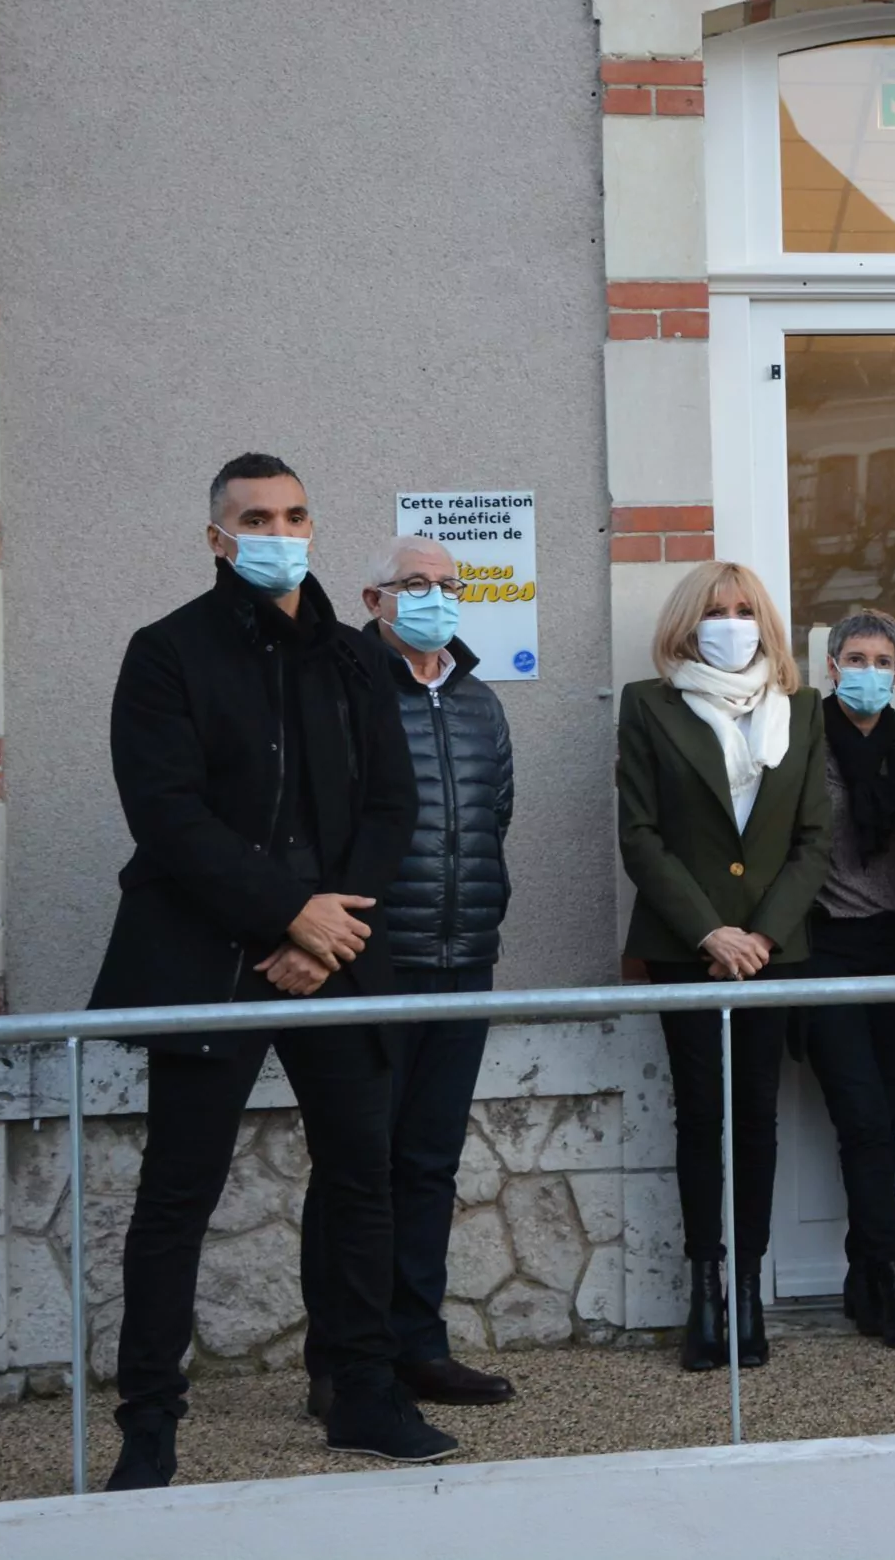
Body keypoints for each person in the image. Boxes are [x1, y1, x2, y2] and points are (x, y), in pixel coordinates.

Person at [91, 453, 451, 1490]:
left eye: (294, 513)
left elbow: (391, 808)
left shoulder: (351, 657)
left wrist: (321, 934)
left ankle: (361, 1391)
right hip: (213, 955)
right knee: (178, 1196)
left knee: (360, 1183)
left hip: (332, 961)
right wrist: (282, 914)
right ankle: (148, 1423)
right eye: (255, 516)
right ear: (217, 536)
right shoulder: (165, 654)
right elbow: (165, 813)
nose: (278, 530)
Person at [299, 535, 519, 1419]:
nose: (433, 596)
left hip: (464, 961)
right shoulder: (346, 692)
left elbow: (495, 813)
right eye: (414, 584)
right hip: (371, 963)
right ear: (374, 597)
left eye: (447, 585)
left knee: (428, 1164)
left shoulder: (480, 703)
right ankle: (341, 1362)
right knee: (357, 1166)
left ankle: (417, 1346)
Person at [616, 561, 831, 1372]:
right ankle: (704, 1288)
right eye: (715, 610)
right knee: (702, 1113)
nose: (732, 622)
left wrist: (762, 936)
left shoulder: (800, 711)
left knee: (757, 1118)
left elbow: (814, 839)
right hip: (688, 950)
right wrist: (712, 932)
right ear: (687, 621)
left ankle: (747, 1288)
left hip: (772, 953)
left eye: (745, 610)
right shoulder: (648, 704)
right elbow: (640, 836)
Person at [803, 607, 895, 1350]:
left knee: (881, 1119)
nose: (867, 672)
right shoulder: (801, 739)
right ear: (831, 667)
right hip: (826, 951)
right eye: (854, 659)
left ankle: (863, 1274)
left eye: (881, 660)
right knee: (861, 1116)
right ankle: (893, 1273)